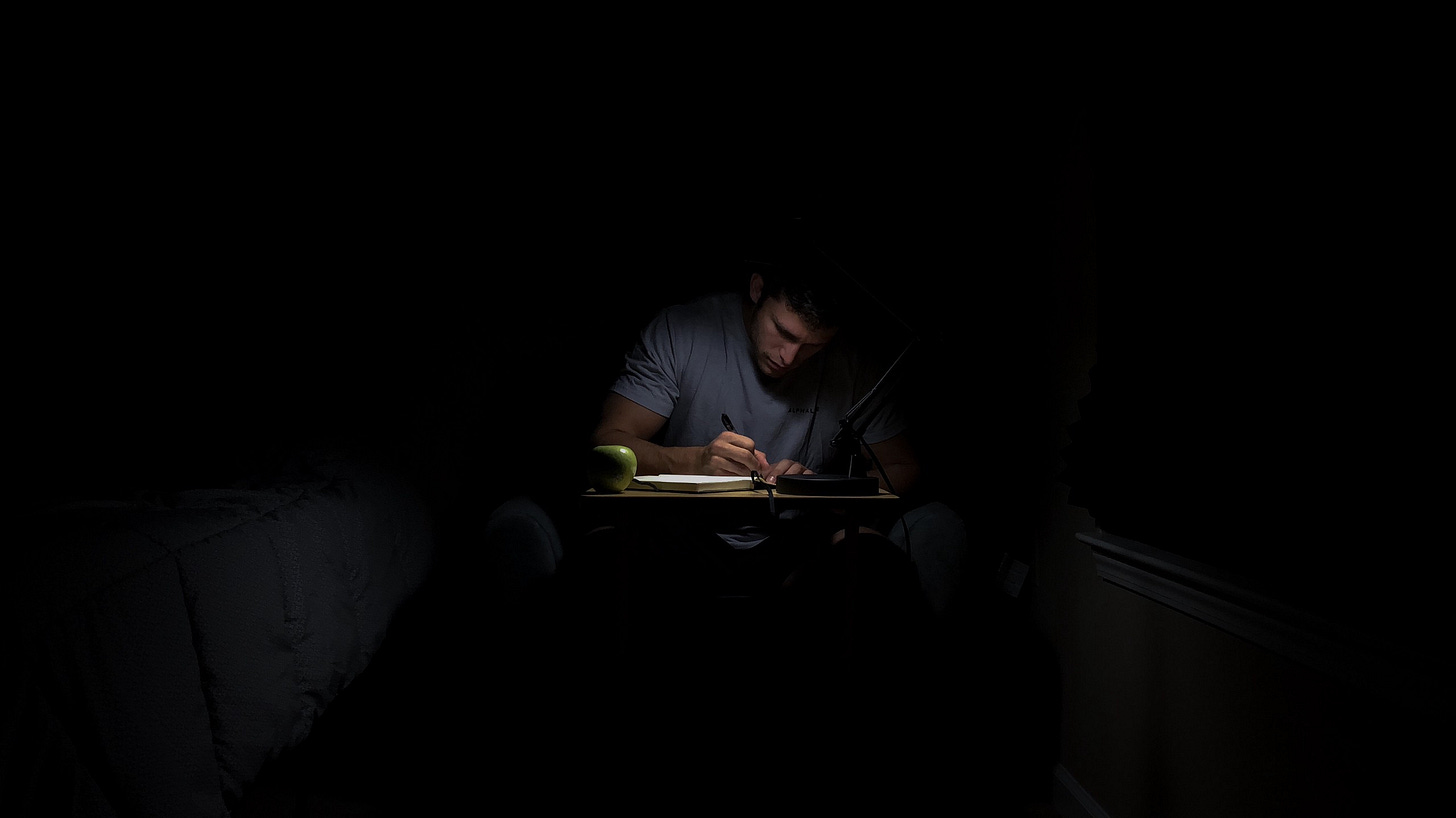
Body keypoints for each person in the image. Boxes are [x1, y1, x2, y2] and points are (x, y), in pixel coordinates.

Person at [581, 235, 970, 676]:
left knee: (876, 568)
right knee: (602, 557)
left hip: (796, 543)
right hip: (683, 533)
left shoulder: (851, 361)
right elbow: (608, 440)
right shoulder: (684, 330)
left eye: (812, 347)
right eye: (783, 332)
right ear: (756, 289)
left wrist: (818, 489)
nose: (790, 356)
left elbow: (904, 466)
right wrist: (694, 461)